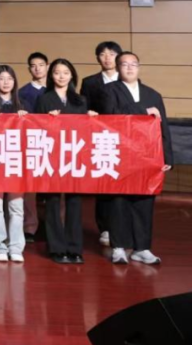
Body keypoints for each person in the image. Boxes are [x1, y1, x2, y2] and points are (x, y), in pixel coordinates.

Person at [103, 52, 173, 266]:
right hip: (120, 155)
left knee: (144, 201)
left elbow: (163, 127)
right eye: (125, 64)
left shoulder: (153, 94)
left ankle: (142, 248)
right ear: (118, 68)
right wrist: (142, 110)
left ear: (139, 67)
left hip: (147, 157)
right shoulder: (109, 90)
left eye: (134, 64)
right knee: (119, 201)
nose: (130, 68)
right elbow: (111, 114)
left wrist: (167, 156)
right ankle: (118, 247)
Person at [36, 58, 94, 264]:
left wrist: (91, 118)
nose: (61, 76)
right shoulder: (44, 99)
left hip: (74, 156)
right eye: (57, 72)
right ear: (51, 76)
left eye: (65, 73)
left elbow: (86, 130)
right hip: (52, 156)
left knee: (74, 202)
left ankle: (75, 248)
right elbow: (35, 128)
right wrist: (47, 119)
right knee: (52, 202)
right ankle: (56, 248)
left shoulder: (80, 100)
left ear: (72, 76)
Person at [0, 65, 29, 263]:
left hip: (16, 160)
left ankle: (16, 247)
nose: (6, 82)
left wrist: (26, 119)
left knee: (16, 206)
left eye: (9, 78)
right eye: (2, 78)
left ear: (14, 81)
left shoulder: (24, 104)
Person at [80, 41, 122, 248]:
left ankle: (121, 226)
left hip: (124, 139)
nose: (107, 58)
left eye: (111, 54)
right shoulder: (89, 82)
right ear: (97, 58)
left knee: (121, 184)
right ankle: (104, 227)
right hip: (101, 139)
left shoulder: (128, 79)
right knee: (104, 184)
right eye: (103, 54)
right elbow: (83, 109)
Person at [17, 51, 48, 243]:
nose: (37, 69)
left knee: (56, 186)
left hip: (53, 143)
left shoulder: (56, 89)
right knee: (29, 188)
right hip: (30, 143)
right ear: (29, 69)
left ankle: (57, 224)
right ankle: (30, 226)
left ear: (47, 67)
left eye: (41, 65)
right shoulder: (22, 93)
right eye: (33, 66)